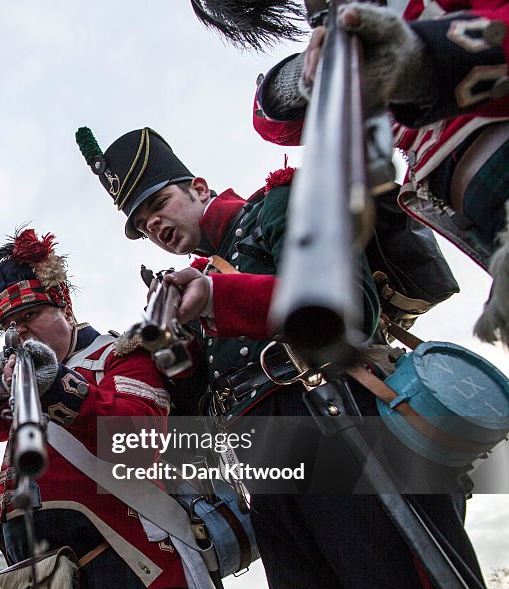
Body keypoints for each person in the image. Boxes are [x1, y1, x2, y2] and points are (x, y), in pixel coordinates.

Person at [79, 124, 501, 589]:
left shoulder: (276, 205)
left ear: (199, 188)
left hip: (343, 425)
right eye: (140, 224)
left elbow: (347, 304)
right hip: (267, 467)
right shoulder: (189, 283)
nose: (154, 225)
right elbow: (198, 395)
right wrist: (165, 354)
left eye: (159, 203)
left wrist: (219, 296)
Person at [0, 228, 219, 589]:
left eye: (32, 314)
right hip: (42, 584)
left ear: (65, 307)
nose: (20, 331)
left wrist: (59, 385)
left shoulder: (120, 355)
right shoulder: (19, 377)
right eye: (11, 324)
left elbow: (137, 439)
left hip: (123, 565)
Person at [193, 0, 509, 341]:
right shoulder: (345, 21)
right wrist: (302, 74)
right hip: (466, 200)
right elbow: (273, 125)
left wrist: (423, 53)